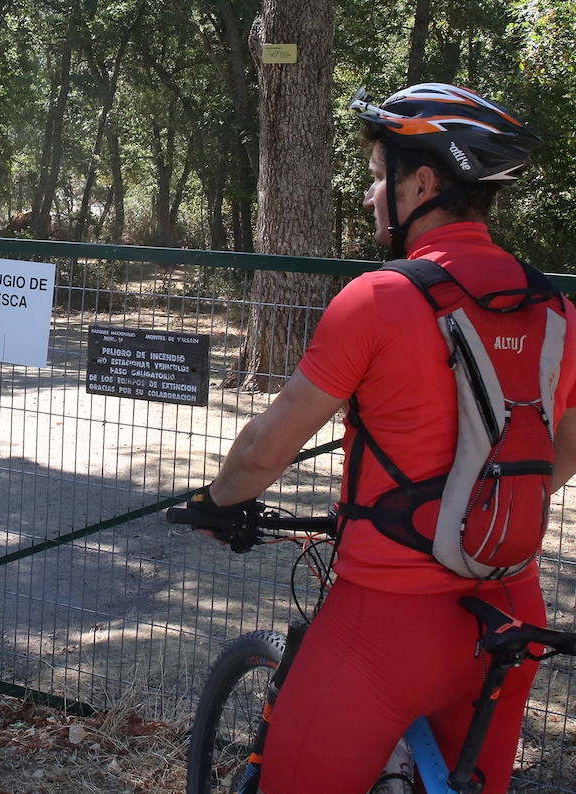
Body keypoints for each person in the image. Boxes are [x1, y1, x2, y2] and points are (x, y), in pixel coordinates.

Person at [184, 83, 576, 793]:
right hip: (511, 611)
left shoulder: (380, 299)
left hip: (390, 626)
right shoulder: (554, 308)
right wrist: (480, 507)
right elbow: (566, 443)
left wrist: (217, 503)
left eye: (376, 177)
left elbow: (265, 447)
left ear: (422, 181)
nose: (370, 195)